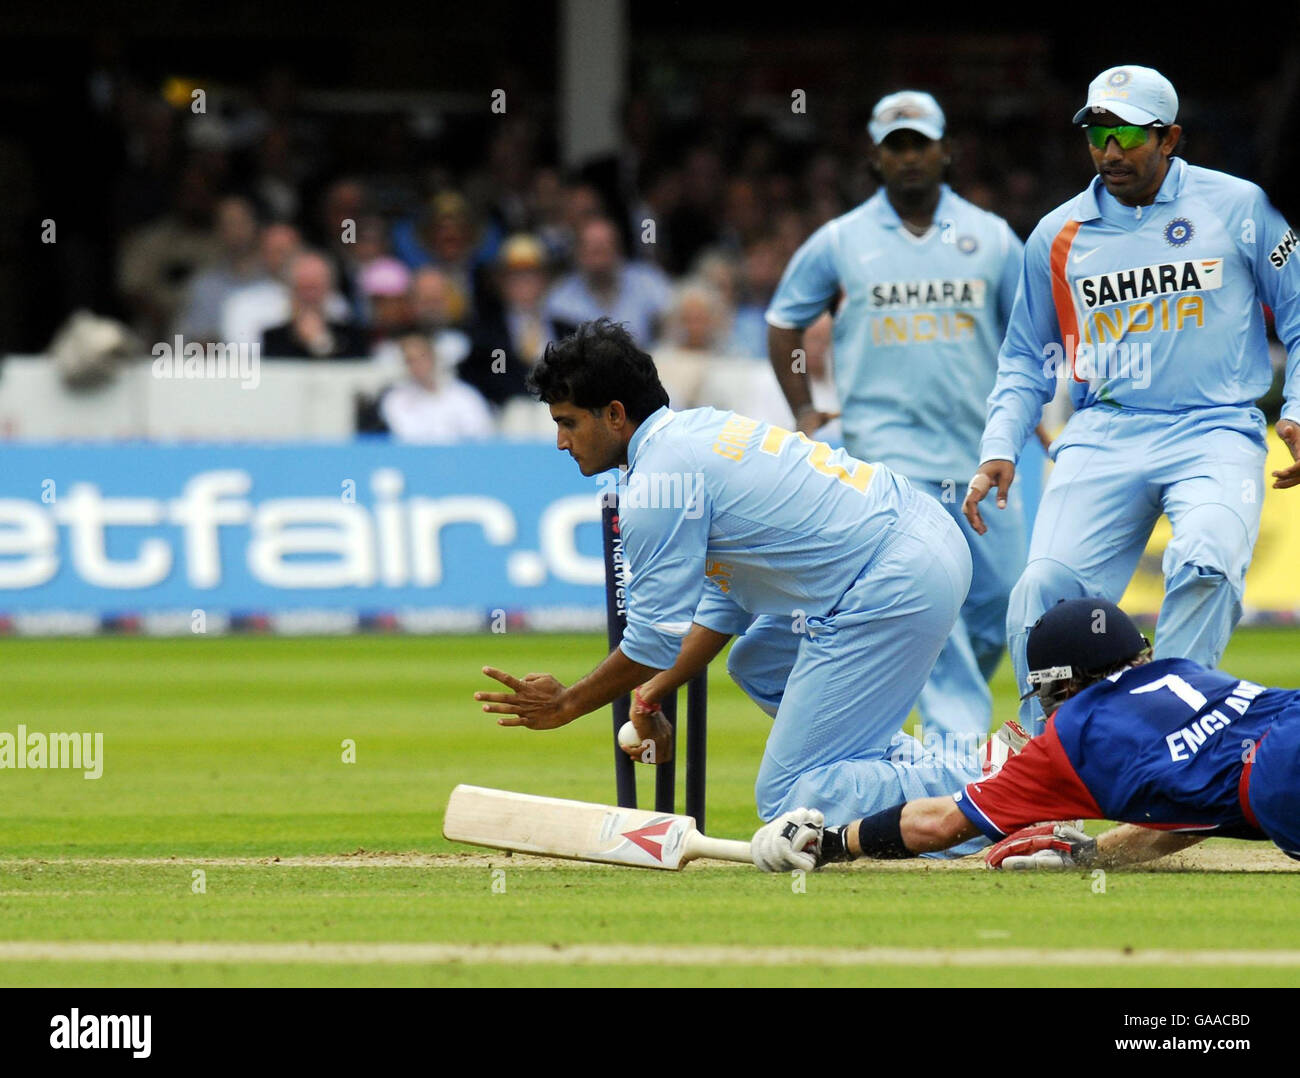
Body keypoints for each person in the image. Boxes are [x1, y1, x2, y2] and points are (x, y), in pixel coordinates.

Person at [473, 319, 1009, 832]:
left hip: (891, 574)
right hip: (914, 541)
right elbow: (723, 604)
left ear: (614, 414)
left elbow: (653, 642)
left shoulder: (657, 486)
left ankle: (1000, 782)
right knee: (760, 660)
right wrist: (650, 697)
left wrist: (568, 703)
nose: (562, 442)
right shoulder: (697, 430)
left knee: (791, 795)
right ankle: (952, 776)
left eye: (568, 422)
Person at [962, 65, 1300, 733]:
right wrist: (999, 445)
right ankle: (1047, 767)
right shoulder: (1056, 236)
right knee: (1041, 591)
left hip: (1216, 431)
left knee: (1205, 562)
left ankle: (1168, 740)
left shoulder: (1241, 208)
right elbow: (1027, 356)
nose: (1109, 151)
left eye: (1126, 134)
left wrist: (1296, 408)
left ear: (1169, 137)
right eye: (1096, 133)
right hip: (1105, 431)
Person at [766, 90, 1029, 749]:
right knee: (926, 597)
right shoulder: (841, 240)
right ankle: (955, 746)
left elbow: (1030, 334)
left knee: (1002, 603)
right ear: (875, 158)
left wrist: (1032, 414)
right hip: (886, 456)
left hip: (981, 451)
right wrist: (803, 408)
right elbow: (783, 321)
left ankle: (905, 699)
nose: (910, 158)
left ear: (947, 152)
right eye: (896, 147)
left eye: (921, 145)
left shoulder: (992, 237)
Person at [748, 598, 1300, 873]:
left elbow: (939, 823)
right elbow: (1188, 817)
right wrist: (1086, 858)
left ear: (1064, 681)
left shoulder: (1072, 736)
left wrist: (834, 843)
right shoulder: (1183, 671)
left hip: (1280, 776)